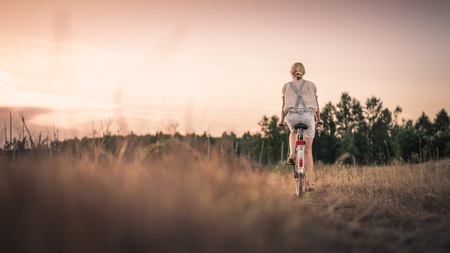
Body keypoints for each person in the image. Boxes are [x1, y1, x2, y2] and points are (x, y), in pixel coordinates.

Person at [278, 62, 322, 191]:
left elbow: (284, 106)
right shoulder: (311, 85)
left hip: (292, 116)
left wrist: (281, 120)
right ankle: (309, 184)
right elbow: (317, 105)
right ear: (303, 72)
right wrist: (318, 119)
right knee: (308, 151)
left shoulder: (286, 86)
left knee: (293, 132)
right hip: (308, 117)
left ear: (291, 73)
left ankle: (291, 154)